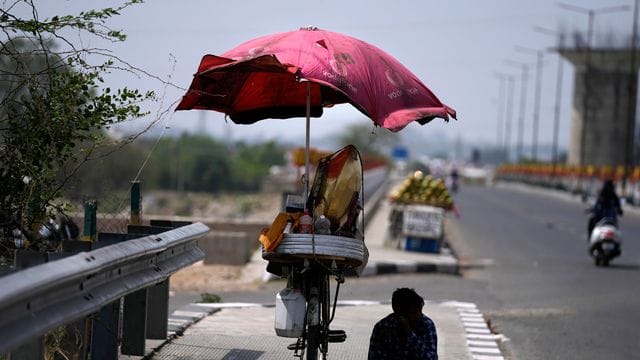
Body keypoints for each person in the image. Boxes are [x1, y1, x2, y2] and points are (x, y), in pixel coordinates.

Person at [368, 288, 438, 360]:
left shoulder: (426, 324)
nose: (419, 315)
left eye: (420, 310)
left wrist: (410, 335)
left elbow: (431, 358)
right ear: (399, 314)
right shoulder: (383, 327)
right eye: (413, 313)